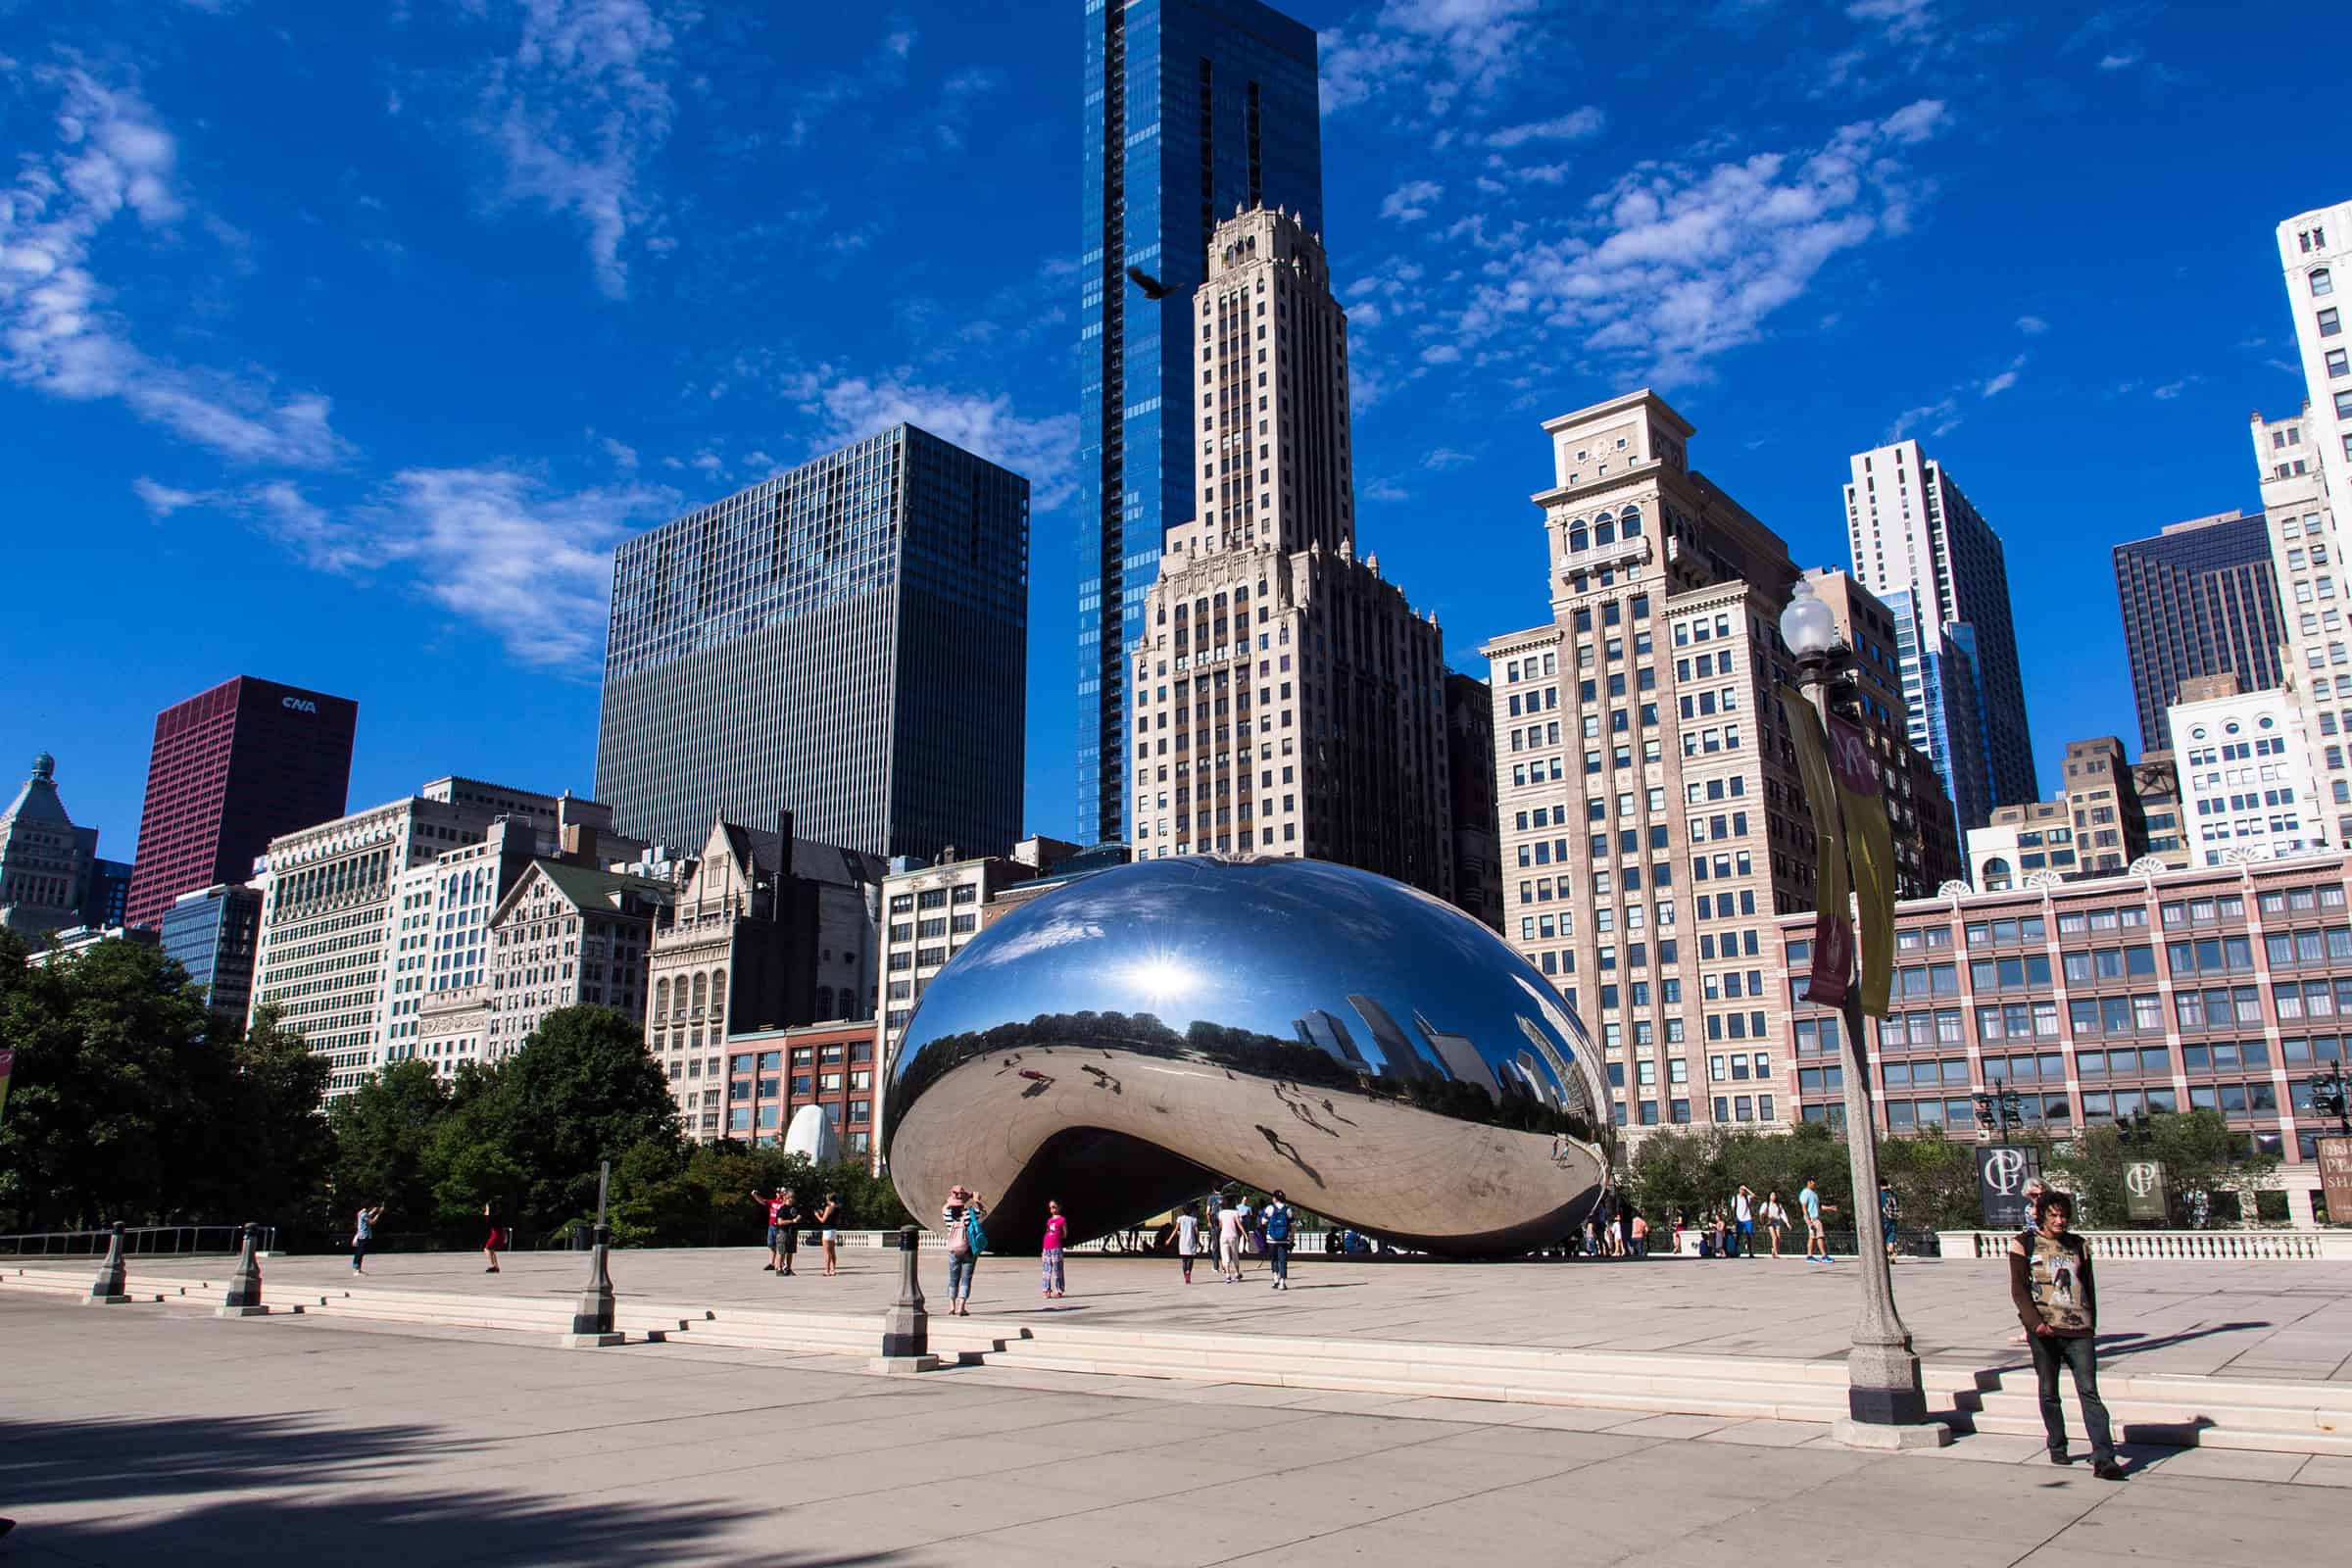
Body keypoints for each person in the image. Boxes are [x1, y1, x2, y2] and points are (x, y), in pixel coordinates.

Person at [2009, 1191, 2125, 1480]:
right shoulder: (2024, 1244)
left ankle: (2104, 1457)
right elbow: (2019, 1288)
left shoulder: (2078, 1244)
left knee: (2089, 1392)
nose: (2060, 1221)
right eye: (2054, 1216)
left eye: (2063, 1216)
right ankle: (2057, 1443)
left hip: (2079, 1328)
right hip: (2045, 1329)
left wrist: (2091, 1321)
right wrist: (2034, 1323)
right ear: (2041, 1217)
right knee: (2049, 1392)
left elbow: (2088, 1284)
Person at [2008, 1177, 2048, 1344]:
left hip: (2045, 1250)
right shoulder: (2027, 1209)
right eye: (2033, 1194)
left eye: (2040, 1193)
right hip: (2030, 1250)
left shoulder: (2049, 1208)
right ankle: (2028, 1328)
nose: (2037, 1197)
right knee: (2027, 1290)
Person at [942, 1184, 985, 1315]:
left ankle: (951, 1306)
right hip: (968, 1249)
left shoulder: (948, 1216)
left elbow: (944, 1208)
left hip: (953, 1251)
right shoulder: (969, 1214)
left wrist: (954, 1197)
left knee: (953, 1278)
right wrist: (975, 1199)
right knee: (966, 1278)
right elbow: (983, 1212)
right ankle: (961, 1306)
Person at [751, 1186, 801, 1276]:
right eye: (777, 1193)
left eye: (779, 1193)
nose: (778, 1194)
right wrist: (755, 1195)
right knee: (773, 1246)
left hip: (787, 1229)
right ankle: (774, 1265)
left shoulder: (786, 1204)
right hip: (775, 1226)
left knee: (785, 1249)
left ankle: (785, 1266)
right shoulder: (774, 1203)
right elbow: (762, 1201)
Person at [1263, 1190, 1295, 1291]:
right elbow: (1292, 1224)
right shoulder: (1288, 1209)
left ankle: (1275, 1278)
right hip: (1284, 1238)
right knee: (1283, 1260)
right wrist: (1291, 1237)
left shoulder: (1270, 1208)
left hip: (1271, 1238)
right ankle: (1282, 1282)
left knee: (1274, 1259)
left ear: (1275, 1198)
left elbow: (1263, 1222)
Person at [1041, 1200, 1068, 1298]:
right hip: (1046, 1247)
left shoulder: (1062, 1220)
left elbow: (1065, 1234)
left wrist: (1057, 1237)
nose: (1052, 1209)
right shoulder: (1049, 1220)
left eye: (1054, 1207)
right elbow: (1048, 1231)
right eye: (1051, 1207)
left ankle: (1059, 1290)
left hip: (1056, 1247)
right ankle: (1046, 1290)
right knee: (1046, 1270)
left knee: (1058, 1270)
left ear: (1059, 1207)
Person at [1800, 1178, 1830, 1262]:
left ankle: (1810, 1256)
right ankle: (1823, 1256)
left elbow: (1819, 1206)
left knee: (1812, 1237)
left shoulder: (1814, 1194)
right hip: (1812, 1218)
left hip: (1815, 1218)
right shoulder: (1805, 1192)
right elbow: (1804, 1206)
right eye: (1813, 1182)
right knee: (1819, 1236)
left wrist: (1830, 1208)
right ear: (1809, 1182)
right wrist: (1808, 1220)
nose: (1815, 1184)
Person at [812, 1193, 842, 1278]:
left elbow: (823, 1220)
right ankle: (833, 1269)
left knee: (826, 1252)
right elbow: (831, 1216)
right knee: (832, 1251)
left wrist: (817, 1215)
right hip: (833, 1230)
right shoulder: (837, 1207)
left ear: (829, 1199)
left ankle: (827, 1270)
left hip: (827, 1230)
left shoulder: (828, 1207)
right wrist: (823, 1212)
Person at [1215, 1198, 1245, 1282]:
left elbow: (1220, 1225)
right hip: (1233, 1235)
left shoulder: (1221, 1213)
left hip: (1224, 1235)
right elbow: (1238, 1224)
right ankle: (1236, 1273)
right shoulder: (1235, 1212)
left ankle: (1228, 1275)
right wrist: (1245, 1234)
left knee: (1225, 1256)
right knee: (1235, 1254)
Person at [352, 1202, 383, 1274]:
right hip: (363, 1235)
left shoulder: (361, 1212)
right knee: (360, 1252)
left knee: (359, 1252)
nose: (373, 1207)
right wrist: (379, 1214)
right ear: (368, 1207)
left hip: (361, 1235)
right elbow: (371, 1222)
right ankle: (356, 1270)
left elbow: (368, 1215)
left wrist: (374, 1211)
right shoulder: (364, 1214)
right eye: (372, 1206)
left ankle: (358, 1269)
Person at [1177, 1203, 1202, 1283]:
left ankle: (1185, 1274)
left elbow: (1175, 1230)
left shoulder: (1180, 1219)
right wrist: (1198, 1242)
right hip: (1191, 1241)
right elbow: (1197, 1232)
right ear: (1191, 1211)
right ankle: (1189, 1272)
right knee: (1190, 1259)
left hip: (1182, 1242)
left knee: (1184, 1260)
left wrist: (1169, 1239)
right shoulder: (1193, 1219)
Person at [1879, 1178, 1901, 1263]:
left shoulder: (1879, 1194)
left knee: (1882, 1236)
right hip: (1893, 1217)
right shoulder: (1893, 1194)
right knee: (1891, 1236)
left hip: (1883, 1217)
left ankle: (1889, 1251)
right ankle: (1891, 1251)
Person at [1761, 1191, 1788, 1258]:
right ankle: (1776, 1253)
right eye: (1772, 1195)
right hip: (1770, 1222)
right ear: (1769, 1196)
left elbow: (1782, 1214)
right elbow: (1761, 1213)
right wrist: (1766, 1217)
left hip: (1777, 1221)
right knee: (1774, 1237)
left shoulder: (1778, 1205)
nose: (1773, 1197)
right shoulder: (1766, 1204)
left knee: (1778, 1238)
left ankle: (1773, 1250)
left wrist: (1787, 1223)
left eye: (1774, 1195)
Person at [1733, 1185, 1755, 1258]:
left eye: (1744, 1190)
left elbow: (1753, 1195)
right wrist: (1734, 1218)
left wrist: (1746, 1188)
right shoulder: (1735, 1198)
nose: (1743, 1191)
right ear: (1739, 1190)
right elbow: (1733, 1208)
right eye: (1741, 1189)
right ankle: (1735, 1251)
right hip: (1739, 1219)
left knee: (1749, 1235)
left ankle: (1750, 1252)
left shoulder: (1746, 1197)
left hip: (1747, 1218)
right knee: (1738, 1236)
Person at [481, 1201, 502, 1274]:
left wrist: (487, 1208)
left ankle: (493, 1266)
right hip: (498, 1233)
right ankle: (496, 1266)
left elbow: (487, 1218)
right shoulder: (497, 1215)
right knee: (491, 1249)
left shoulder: (492, 1217)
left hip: (496, 1234)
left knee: (486, 1249)